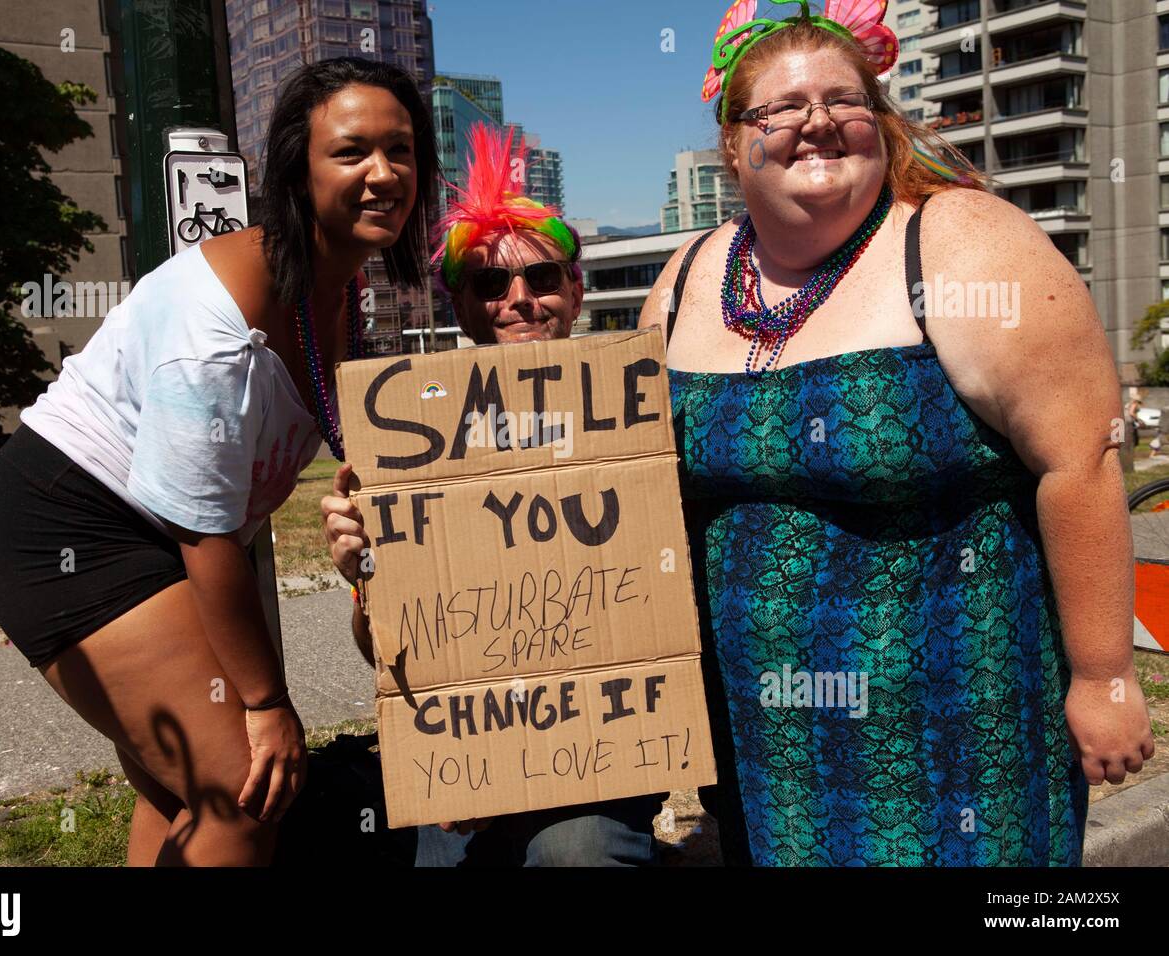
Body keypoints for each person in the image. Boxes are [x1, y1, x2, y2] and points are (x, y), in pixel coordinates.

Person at [637, 0, 1154, 866]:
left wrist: (1105, 674)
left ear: (879, 121)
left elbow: (1083, 459)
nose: (818, 122)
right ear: (734, 144)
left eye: (845, 101)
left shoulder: (959, 242)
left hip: (960, 726)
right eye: (782, 109)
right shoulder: (686, 279)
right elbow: (629, 476)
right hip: (767, 739)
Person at [0, 57, 439, 866]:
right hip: (68, 527)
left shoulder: (336, 288)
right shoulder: (217, 329)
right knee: (244, 789)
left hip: (151, 533)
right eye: (352, 151)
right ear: (297, 170)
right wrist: (266, 702)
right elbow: (207, 535)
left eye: (401, 151)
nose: (384, 174)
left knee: (179, 785)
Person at [322, 124, 663, 866]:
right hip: (466, 748)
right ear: (465, 305)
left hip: (604, 747)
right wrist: (366, 575)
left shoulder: (635, 406)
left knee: (574, 856)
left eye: (542, 278)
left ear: (574, 290)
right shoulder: (416, 428)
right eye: (491, 284)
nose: (519, 300)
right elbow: (379, 650)